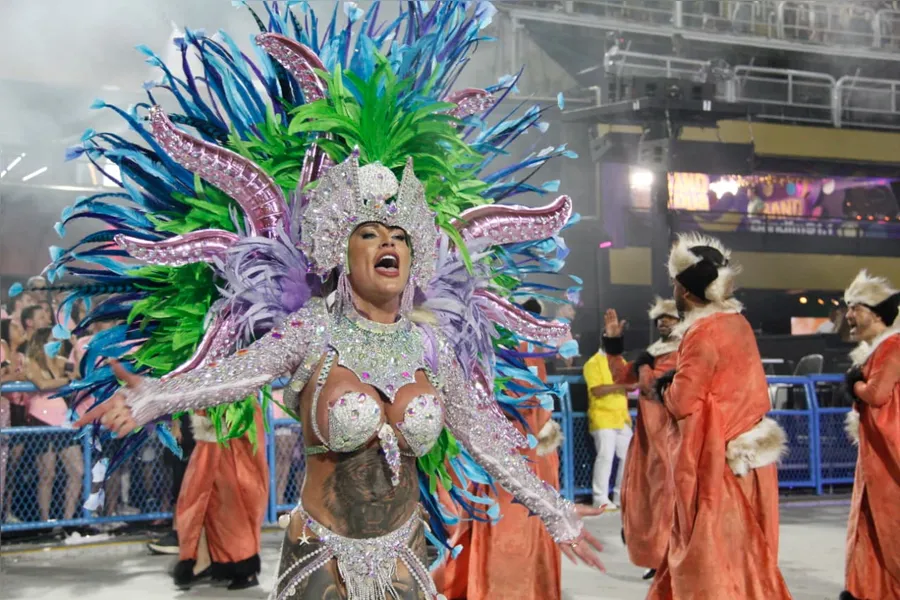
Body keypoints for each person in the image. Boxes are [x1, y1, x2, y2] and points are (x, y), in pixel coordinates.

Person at [67, 5, 603, 599]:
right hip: (320, 559)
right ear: (340, 254)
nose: (389, 243)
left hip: (406, 556)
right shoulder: (311, 331)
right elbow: (234, 377)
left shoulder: (431, 342)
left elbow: (483, 434)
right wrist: (154, 397)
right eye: (371, 233)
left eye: (400, 235)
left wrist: (554, 509)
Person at [648, 232, 791, 599]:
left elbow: (682, 402)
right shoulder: (738, 323)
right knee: (749, 556)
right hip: (751, 458)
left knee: (712, 559)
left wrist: (666, 387)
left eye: (675, 284)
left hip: (717, 468)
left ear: (684, 289)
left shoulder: (701, 332)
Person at [435, 298, 598, 600]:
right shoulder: (513, 353)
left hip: (512, 460)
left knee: (507, 529)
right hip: (516, 457)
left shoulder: (508, 353)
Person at [601, 298, 681, 581]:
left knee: (669, 497)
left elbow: (650, 385)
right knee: (646, 497)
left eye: (670, 317)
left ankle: (670, 559)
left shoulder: (684, 352)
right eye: (660, 318)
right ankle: (658, 556)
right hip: (648, 439)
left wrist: (645, 366)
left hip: (673, 439)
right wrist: (614, 342)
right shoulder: (653, 353)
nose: (663, 321)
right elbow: (621, 376)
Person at [840, 270, 900, 600]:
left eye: (856, 307)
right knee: (873, 526)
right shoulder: (879, 349)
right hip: (877, 457)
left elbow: (877, 394)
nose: (848, 315)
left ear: (877, 312)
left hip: (890, 457)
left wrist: (855, 384)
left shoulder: (892, 345)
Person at [172, 405, 269, 590]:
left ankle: (243, 565)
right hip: (212, 417)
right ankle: (207, 559)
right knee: (204, 494)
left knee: (229, 497)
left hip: (233, 420)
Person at [23, 327, 82, 523]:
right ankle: (45, 520)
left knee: (77, 470)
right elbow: (41, 384)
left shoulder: (62, 362)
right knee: (47, 474)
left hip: (62, 419)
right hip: (41, 418)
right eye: (52, 340)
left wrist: (77, 349)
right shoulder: (30, 361)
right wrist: (66, 380)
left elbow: (79, 375)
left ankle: (68, 519)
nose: (56, 344)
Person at [583, 339, 635, 511]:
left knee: (628, 458)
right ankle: (600, 498)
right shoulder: (593, 363)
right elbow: (596, 390)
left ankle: (621, 497)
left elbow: (630, 386)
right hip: (602, 417)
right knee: (605, 456)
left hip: (622, 417)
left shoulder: (621, 362)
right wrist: (621, 384)